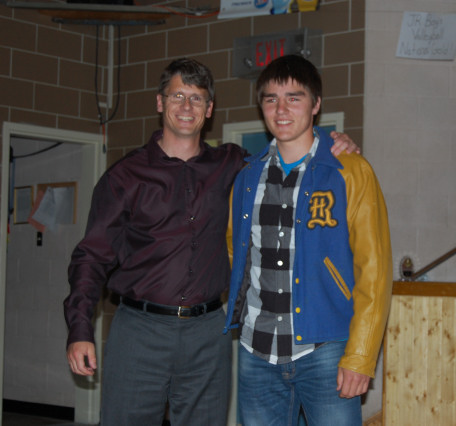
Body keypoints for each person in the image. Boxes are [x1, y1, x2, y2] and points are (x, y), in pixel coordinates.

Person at [64, 57, 358, 426]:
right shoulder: (124, 176)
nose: (187, 106)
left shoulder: (235, 165)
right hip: (139, 331)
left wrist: (330, 140)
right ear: (160, 102)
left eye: (197, 98)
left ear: (209, 109)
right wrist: (79, 329)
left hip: (207, 334)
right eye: (178, 96)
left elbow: (292, 148)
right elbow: (91, 257)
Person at [224, 54, 393, 426]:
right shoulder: (247, 177)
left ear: (316, 105)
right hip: (256, 351)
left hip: (326, 350)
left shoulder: (351, 171)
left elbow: (375, 271)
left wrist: (361, 356)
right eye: (271, 99)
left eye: (294, 98)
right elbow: (237, 251)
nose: (281, 109)